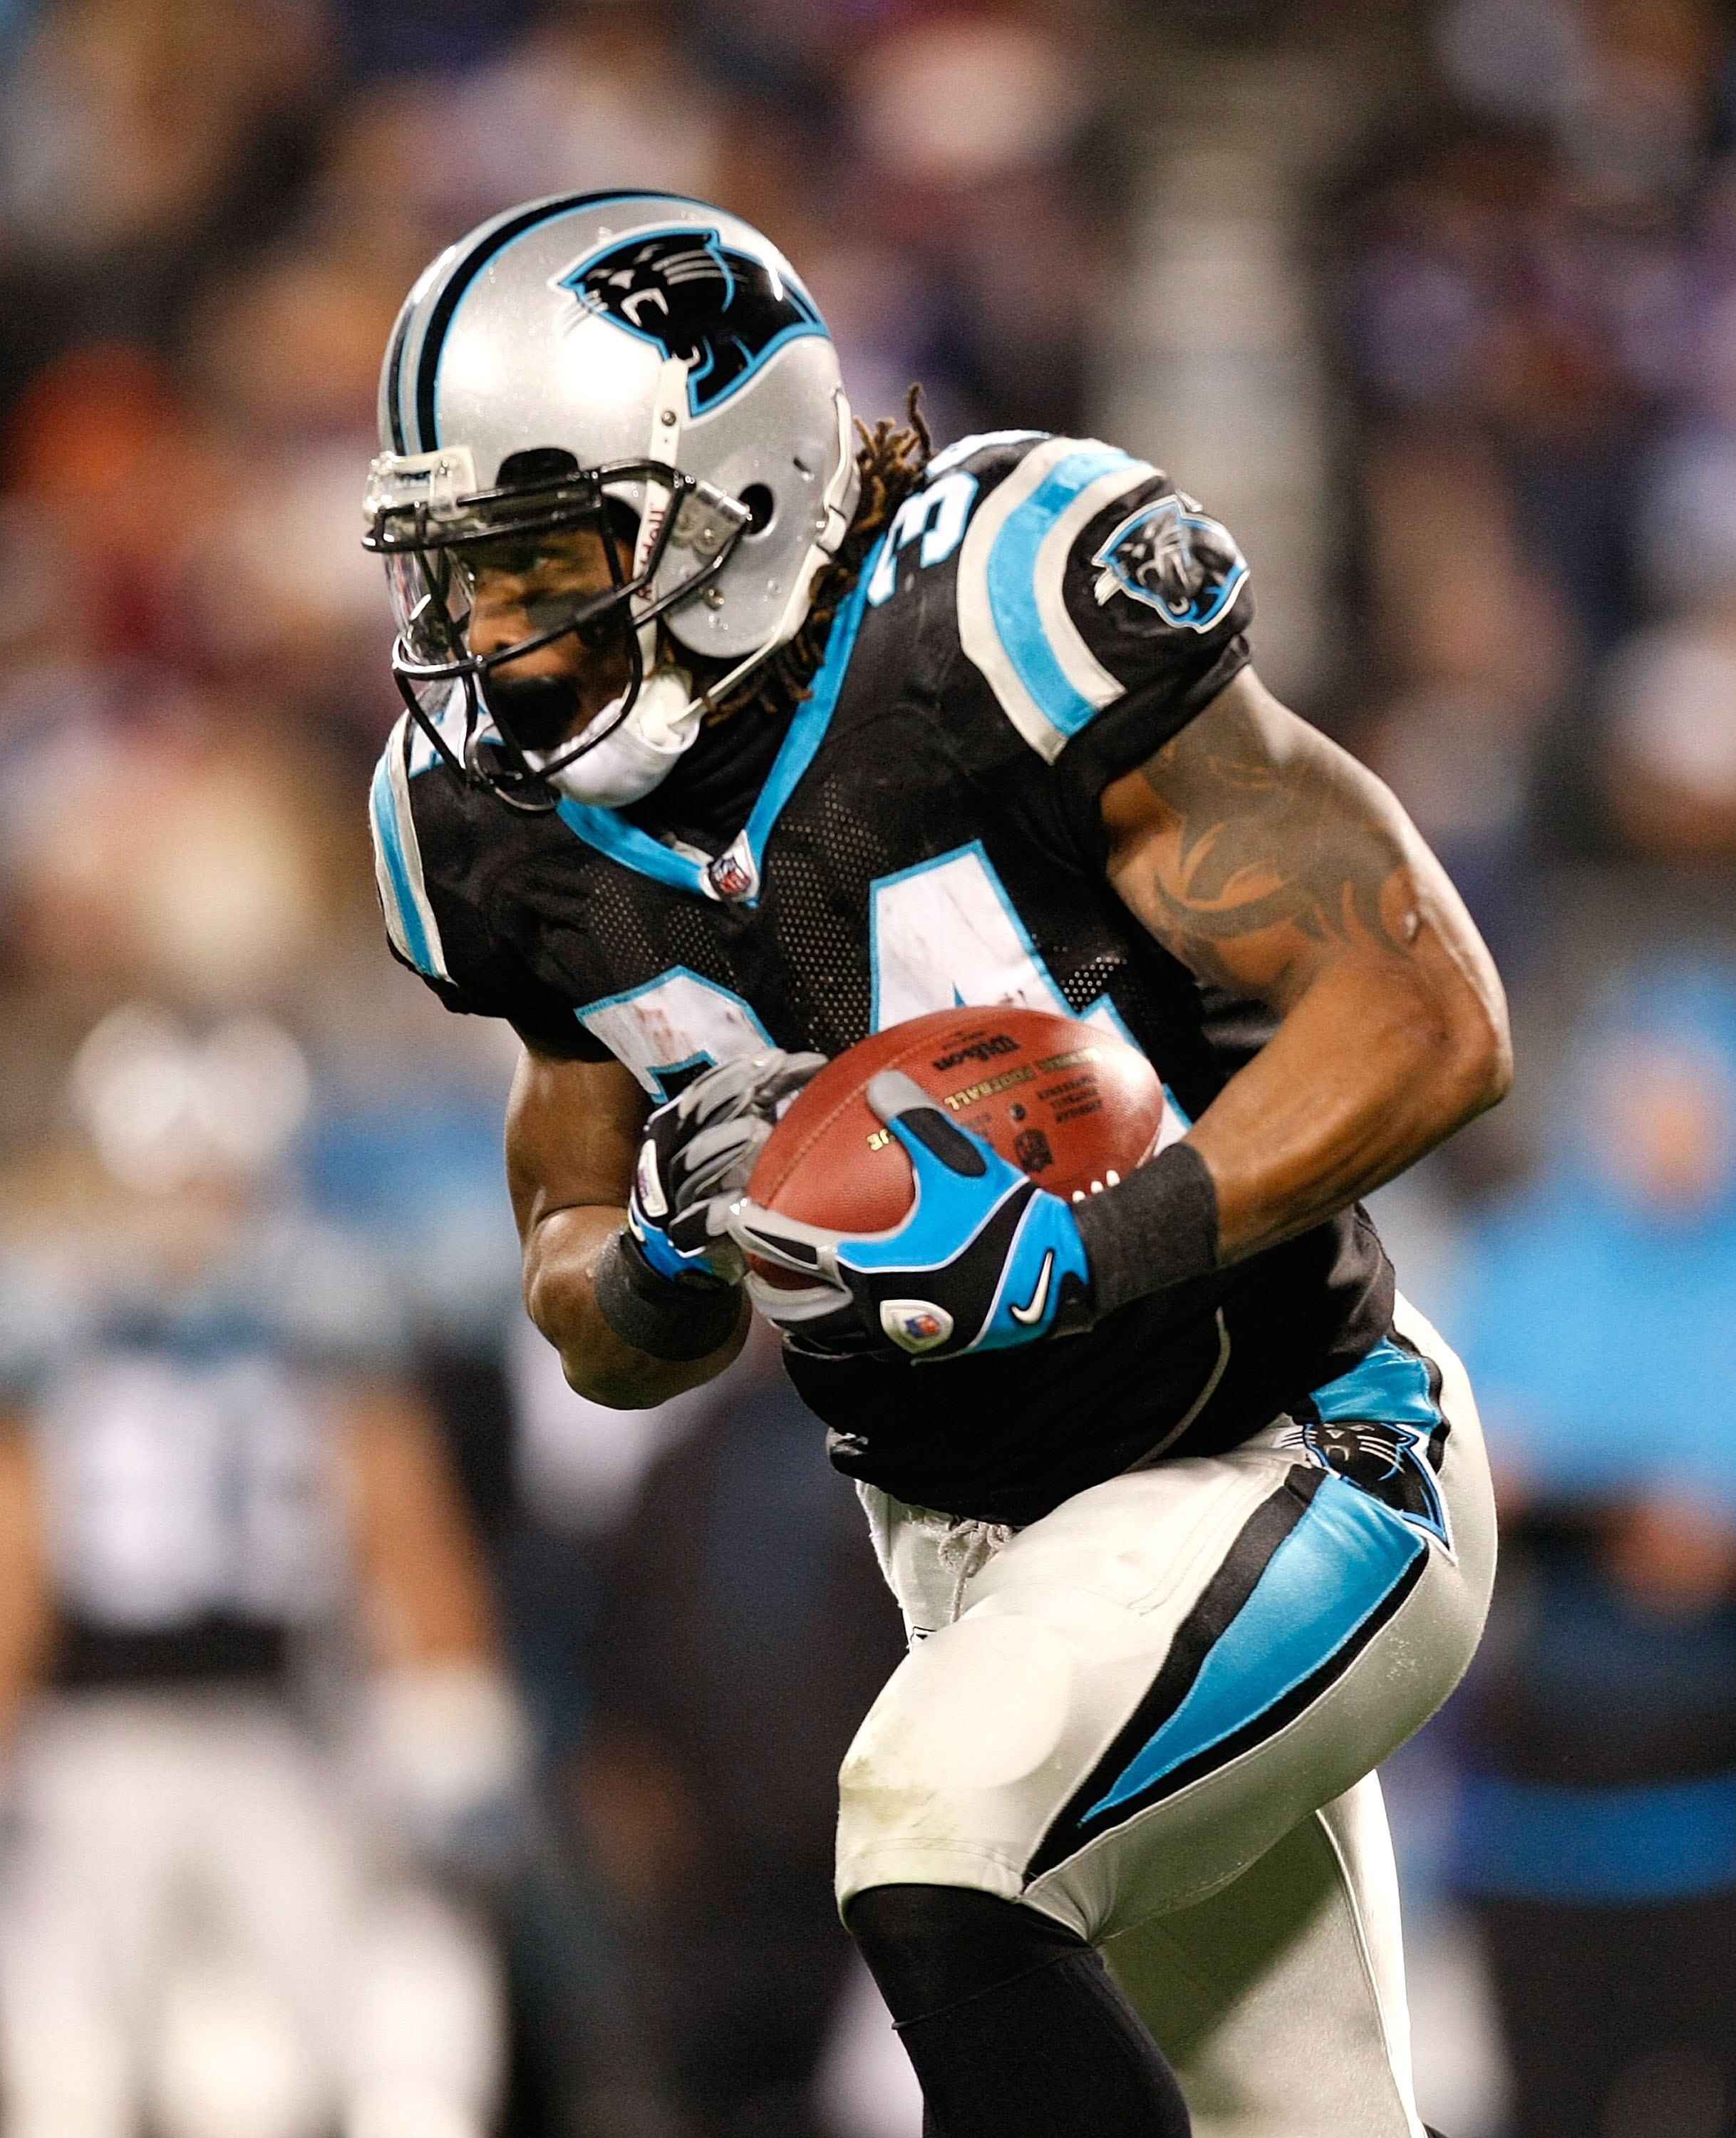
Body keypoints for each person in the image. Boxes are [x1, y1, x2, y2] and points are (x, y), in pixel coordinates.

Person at [363, 192, 1510, 2138]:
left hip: (1287, 1450)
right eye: (457, 576)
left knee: (937, 1839)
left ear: (732, 501)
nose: (487, 634)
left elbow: (1429, 1016)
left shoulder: (990, 626)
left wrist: (1089, 1245)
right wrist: (655, 1258)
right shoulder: (489, 836)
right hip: (968, 1549)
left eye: (539, 559)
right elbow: (587, 1298)